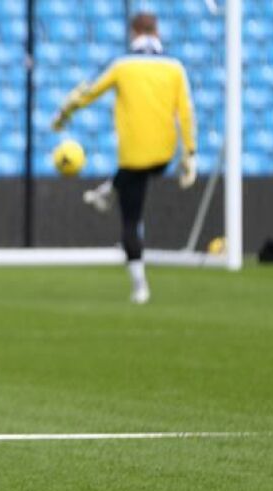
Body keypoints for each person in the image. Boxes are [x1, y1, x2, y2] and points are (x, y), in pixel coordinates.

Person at [52, 11, 197, 304]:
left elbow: (90, 92)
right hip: (164, 155)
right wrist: (189, 153)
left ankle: (140, 285)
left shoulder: (123, 65)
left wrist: (65, 112)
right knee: (140, 178)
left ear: (133, 33)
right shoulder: (174, 68)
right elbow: (186, 112)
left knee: (131, 220)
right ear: (157, 32)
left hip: (132, 155)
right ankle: (110, 189)